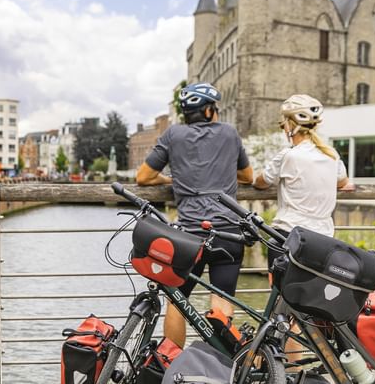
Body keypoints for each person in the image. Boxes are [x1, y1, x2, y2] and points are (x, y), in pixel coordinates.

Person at [136, 82, 253, 348]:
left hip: (190, 234)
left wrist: (173, 179)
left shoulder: (173, 135)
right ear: (210, 111)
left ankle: (171, 361)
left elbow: (143, 177)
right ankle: (221, 367)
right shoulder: (230, 134)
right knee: (222, 302)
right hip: (228, 232)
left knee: (177, 301)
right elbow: (248, 176)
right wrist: (220, 171)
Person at [254, 94, 351, 361]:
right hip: (323, 242)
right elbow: (343, 182)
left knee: (281, 312)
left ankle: (281, 368)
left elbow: (260, 181)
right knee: (303, 311)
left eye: (283, 124)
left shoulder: (289, 155)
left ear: (290, 125)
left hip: (288, 238)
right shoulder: (331, 155)